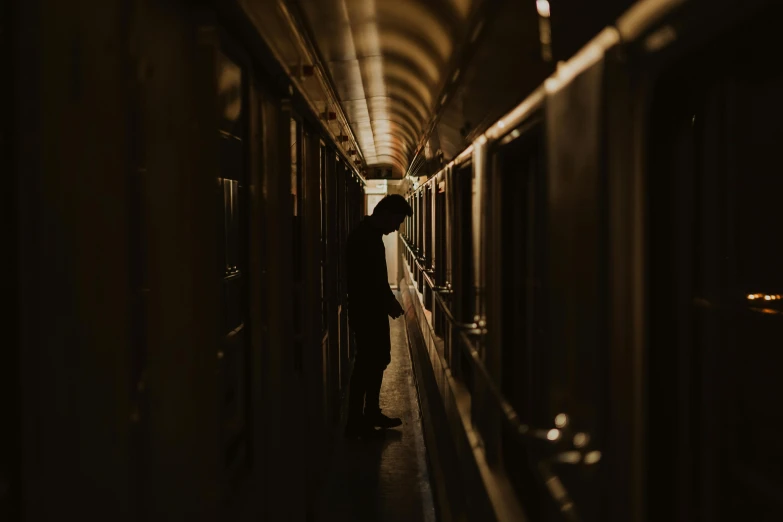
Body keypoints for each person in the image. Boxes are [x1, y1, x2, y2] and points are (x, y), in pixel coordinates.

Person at [344, 194, 413, 439]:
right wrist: (388, 303)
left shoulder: (369, 236)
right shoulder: (364, 239)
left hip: (371, 310)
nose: (396, 228)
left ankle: (370, 411)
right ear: (386, 214)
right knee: (366, 363)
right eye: (397, 221)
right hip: (366, 312)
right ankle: (356, 419)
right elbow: (368, 281)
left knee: (378, 358)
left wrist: (387, 302)